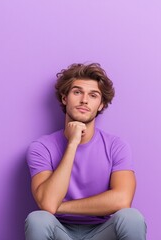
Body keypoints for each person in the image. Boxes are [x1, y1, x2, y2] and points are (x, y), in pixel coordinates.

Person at [25, 63, 147, 240]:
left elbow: (122, 200)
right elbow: (47, 204)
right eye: (77, 92)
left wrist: (59, 206)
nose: (84, 100)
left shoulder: (116, 145)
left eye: (93, 95)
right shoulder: (41, 147)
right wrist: (73, 143)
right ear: (65, 98)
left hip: (102, 232)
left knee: (132, 217)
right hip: (60, 231)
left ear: (101, 104)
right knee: (38, 219)